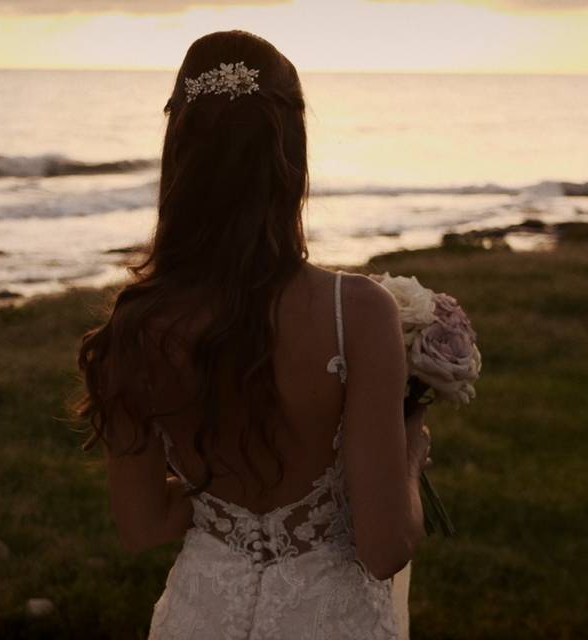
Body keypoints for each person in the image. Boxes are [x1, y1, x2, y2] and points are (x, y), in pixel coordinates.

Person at [76, 29, 432, 640]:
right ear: (290, 156)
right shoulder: (358, 313)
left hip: (200, 617)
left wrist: (224, 510)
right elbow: (384, 549)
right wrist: (409, 459)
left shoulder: (136, 326)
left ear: (179, 155)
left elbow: (141, 527)